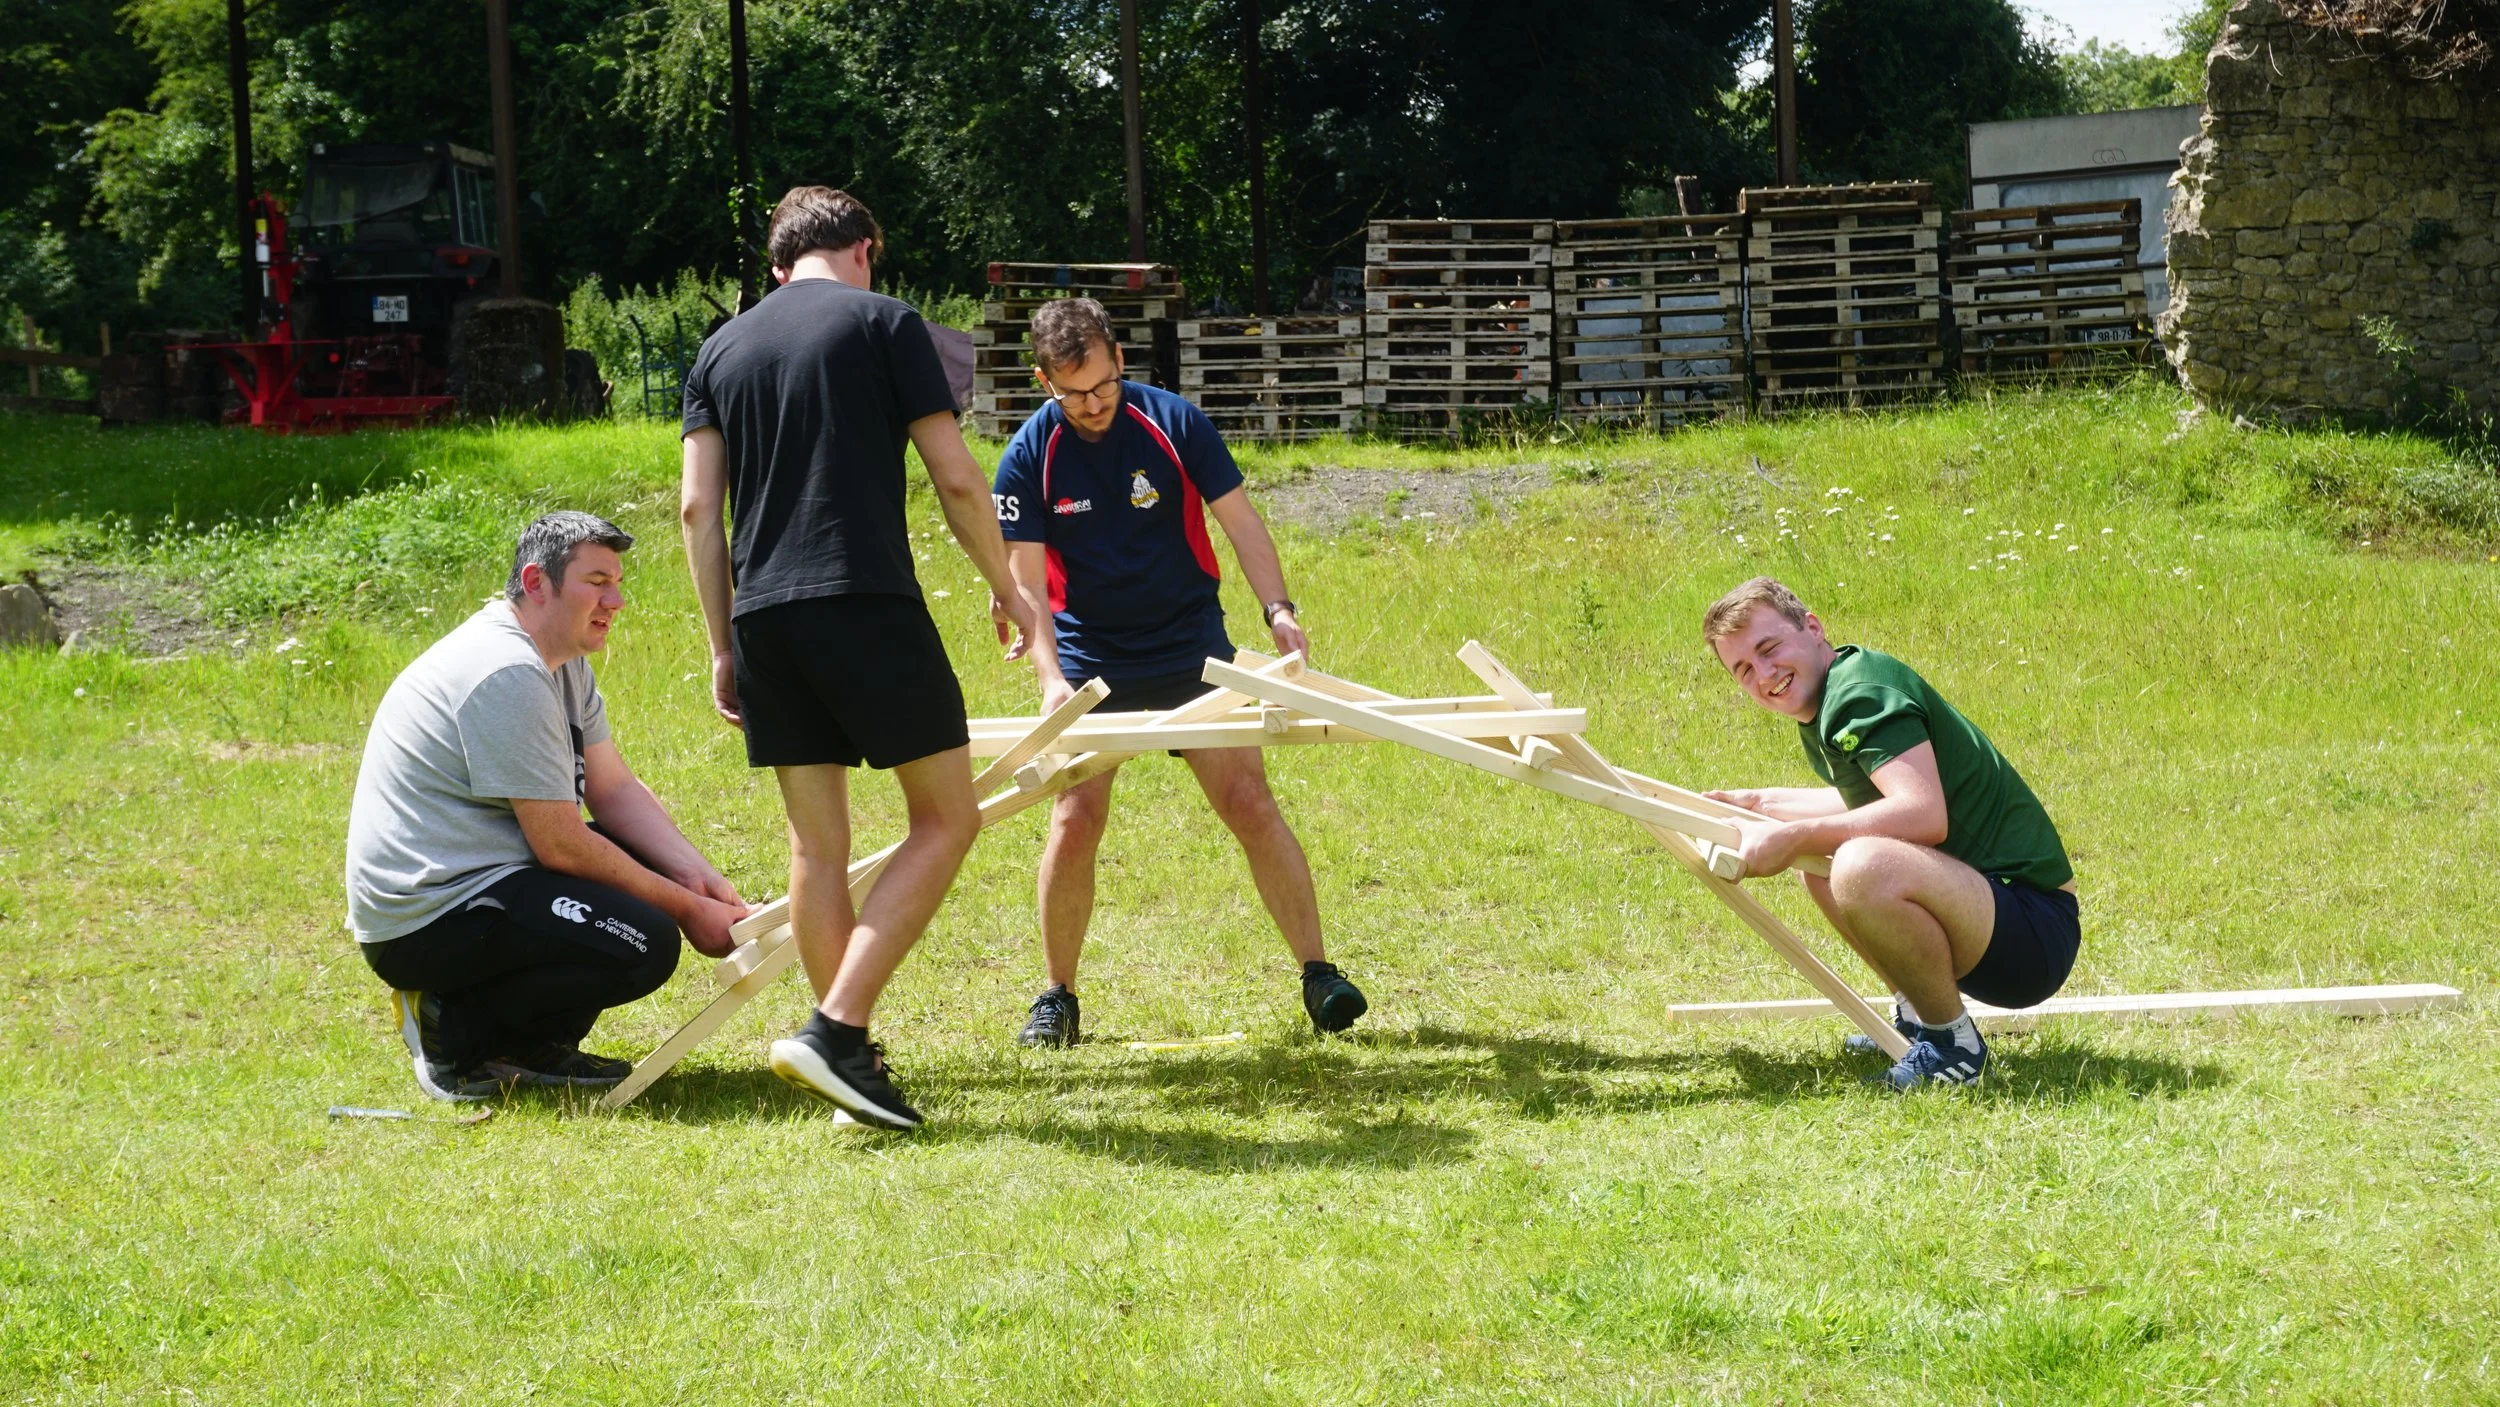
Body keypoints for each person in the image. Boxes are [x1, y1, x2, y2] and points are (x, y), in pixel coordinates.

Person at [680, 186, 1033, 1130]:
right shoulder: (886, 323)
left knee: (815, 846)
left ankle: (852, 1071)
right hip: (862, 597)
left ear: (777, 264)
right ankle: (837, 1028)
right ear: (866, 248)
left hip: (763, 618)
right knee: (948, 817)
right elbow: (956, 475)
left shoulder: (718, 350)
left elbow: (695, 511)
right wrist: (1008, 586)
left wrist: (723, 642)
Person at [987, 296, 1367, 1047]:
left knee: (1250, 803)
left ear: (1119, 359)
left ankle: (1319, 972)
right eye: (1074, 394)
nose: (1093, 405)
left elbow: (1243, 524)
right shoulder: (1029, 457)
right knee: (1074, 817)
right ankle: (1057, 996)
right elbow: (1025, 584)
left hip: (1192, 647)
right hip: (1090, 657)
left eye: (1102, 385)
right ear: (1043, 382)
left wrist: (1279, 610)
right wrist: (1050, 680)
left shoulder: (1174, 422)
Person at [346, 512, 750, 1102]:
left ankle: (528, 1049)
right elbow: (559, 842)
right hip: (427, 917)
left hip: (492, 881)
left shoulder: (564, 662)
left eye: (616, 581)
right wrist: (688, 911)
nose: (615, 599)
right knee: (645, 938)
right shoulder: (506, 670)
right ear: (537, 582)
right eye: (596, 581)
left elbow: (612, 792)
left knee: (643, 882)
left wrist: (704, 882)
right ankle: (450, 1031)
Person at [1698, 577, 2079, 1090]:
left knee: (1857, 864)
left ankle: (1953, 1048)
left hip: (2032, 929)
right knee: (1825, 863)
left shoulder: (1859, 692)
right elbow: (1872, 803)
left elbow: (1923, 814)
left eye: (1770, 649)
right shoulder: (1828, 697)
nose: (1764, 675)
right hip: (1991, 915)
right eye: (1744, 670)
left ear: (1813, 628)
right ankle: (1919, 1021)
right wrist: (1759, 804)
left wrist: (1795, 837)